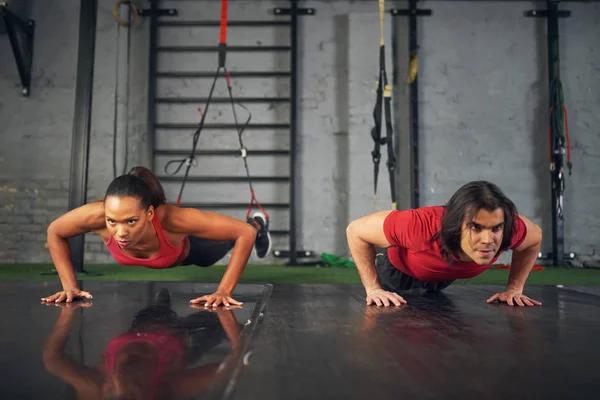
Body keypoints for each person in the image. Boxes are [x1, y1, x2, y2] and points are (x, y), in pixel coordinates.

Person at [41, 166, 272, 307]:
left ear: (149, 213)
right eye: (112, 221)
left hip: (192, 251)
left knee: (231, 239)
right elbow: (55, 231)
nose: (120, 233)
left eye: (131, 221)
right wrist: (69, 286)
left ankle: (259, 221)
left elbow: (244, 234)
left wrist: (223, 291)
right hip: (163, 260)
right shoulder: (95, 217)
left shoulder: (173, 220)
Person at [346, 180, 543, 307]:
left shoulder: (511, 227)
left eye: (495, 229)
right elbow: (355, 231)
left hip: (442, 277)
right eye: (476, 228)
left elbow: (535, 239)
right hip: (398, 273)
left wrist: (514, 289)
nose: (487, 240)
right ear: (457, 224)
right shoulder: (420, 225)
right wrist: (374, 289)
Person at [42, 288, 244, 399]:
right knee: (213, 321)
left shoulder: (95, 387)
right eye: (135, 390)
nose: (125, 382)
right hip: (181, 340)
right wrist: (237, 336)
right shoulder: (171, 386)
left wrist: (67, 312)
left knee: (156, 314)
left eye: (114, 395)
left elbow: (52, 360)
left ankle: (162, 303)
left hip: (145, 326)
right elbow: (234, 366)